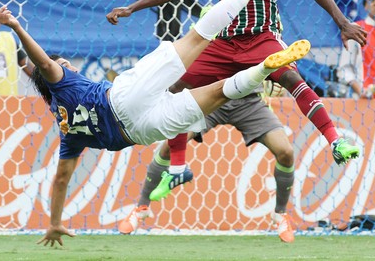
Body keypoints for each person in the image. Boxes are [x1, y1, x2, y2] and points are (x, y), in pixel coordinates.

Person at [3, 0, 308, 246]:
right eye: (64, 64)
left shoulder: (67, 130)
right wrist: (16, 27)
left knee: (219, 92)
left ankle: (264, 68)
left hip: (139, 133)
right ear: (59, 70)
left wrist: (55, 221)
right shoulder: (63, 82)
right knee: (198, 37)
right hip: (121, 100)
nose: (68, 66)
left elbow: (61, 180)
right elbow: (44, 65)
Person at [107, 0, 366, 202]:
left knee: (292, 79)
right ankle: (177, 167)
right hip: (223, 42)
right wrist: (133, 8)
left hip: (261, 38)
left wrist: (342, 23)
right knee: (174, 85)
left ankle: (335, 140)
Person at [119, 91, 298, 243]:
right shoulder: (206, 48)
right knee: (168, 147)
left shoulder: (260, 48)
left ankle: (280, 214)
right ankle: (142, 208)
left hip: (249, 102)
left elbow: (274, 62)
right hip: (210, 97)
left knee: (286, 152)